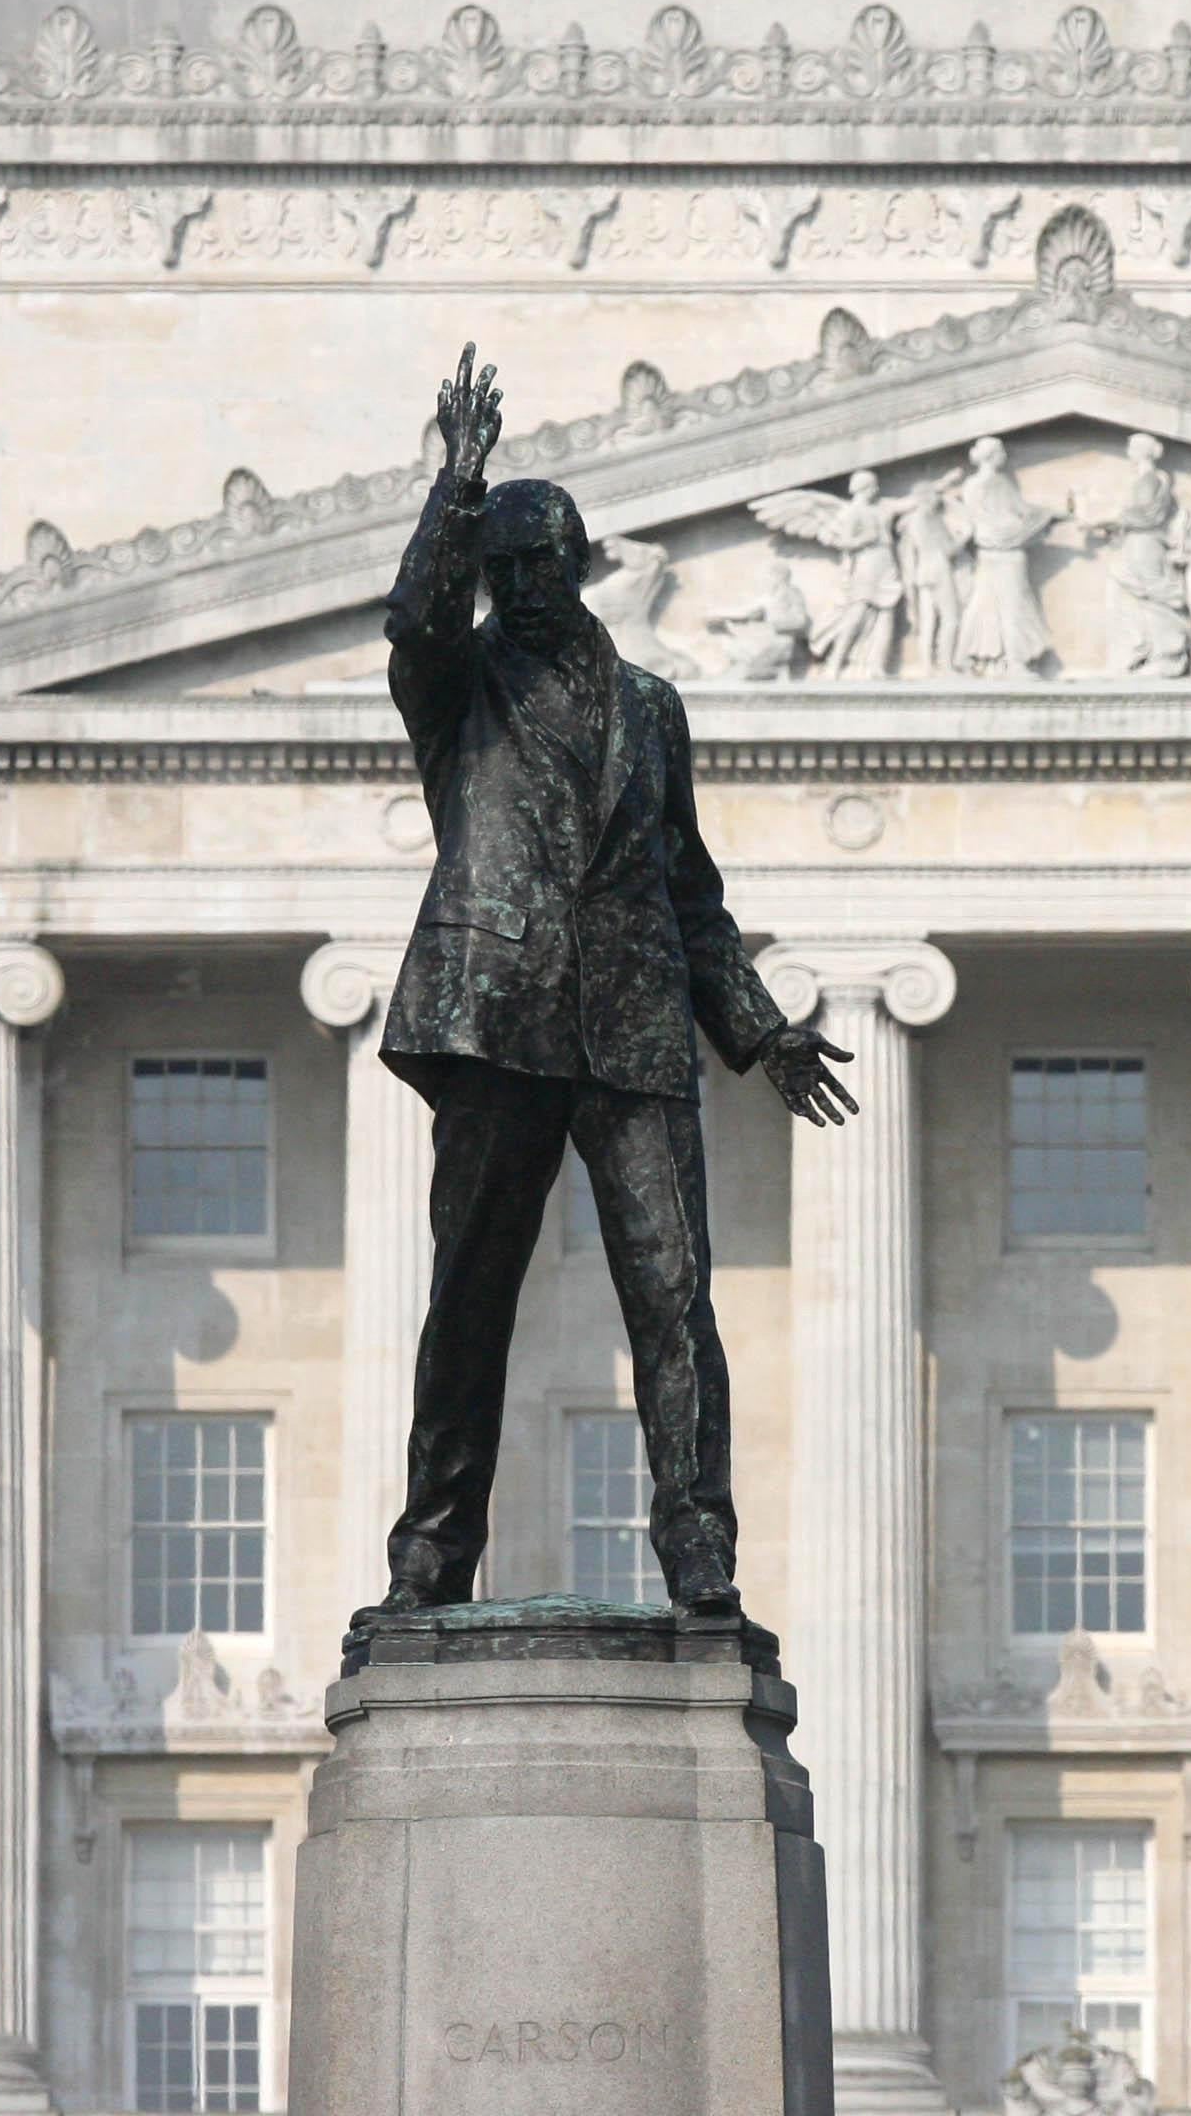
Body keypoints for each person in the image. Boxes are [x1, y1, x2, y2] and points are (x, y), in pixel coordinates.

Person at [359, 343, 857, 1622]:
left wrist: (757, 1032)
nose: (521, 588)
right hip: (497, 1021)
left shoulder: (652, 707)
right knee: (470, 1300)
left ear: (581, 569)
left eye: (541, 565)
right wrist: (456, 493)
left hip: (632, 1031)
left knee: (676, 1303)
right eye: (502, 569)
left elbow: (687, 885)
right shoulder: (459, 689)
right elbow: (413, 619)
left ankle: (699, 1554)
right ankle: (431, 1555)